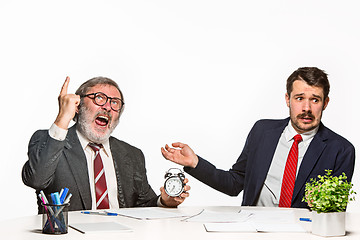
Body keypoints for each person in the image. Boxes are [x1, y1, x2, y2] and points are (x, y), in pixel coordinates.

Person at [161, 67, 355, 209]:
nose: (306, 108)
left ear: (325, 103)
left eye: (315, 99)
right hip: (253, 231)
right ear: (287, 99)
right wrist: (195, 163)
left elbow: (335, 211)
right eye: (299, 98)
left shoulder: (341, 150)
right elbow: (234, 183)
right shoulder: (262, 132)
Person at [23, 76, 190, 213]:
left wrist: (165, 201)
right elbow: (36, 180)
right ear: (78, 106)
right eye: (99, 98)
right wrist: (63, 118)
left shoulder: (132, 155)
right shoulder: (50, 140)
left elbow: (144, 206)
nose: (108, 107)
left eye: (115, 102)